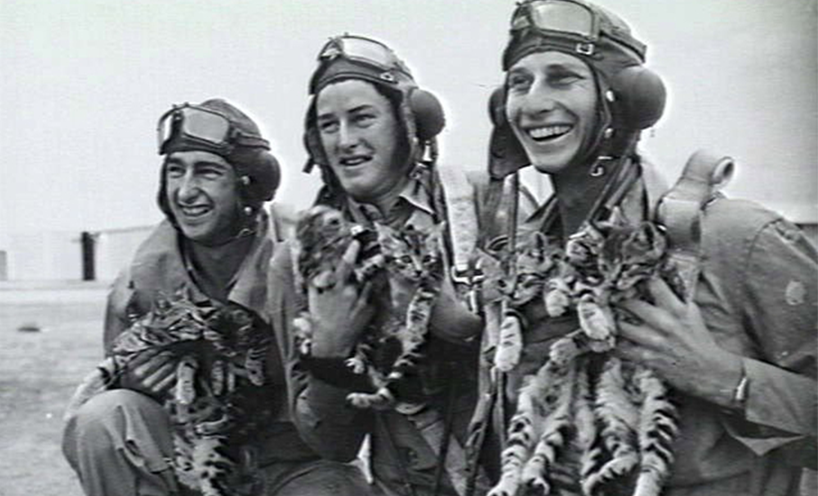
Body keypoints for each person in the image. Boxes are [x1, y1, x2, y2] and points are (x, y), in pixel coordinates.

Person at [467, 1, 817, 495]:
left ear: (629, 100)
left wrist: (727, 380)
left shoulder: (734, 238)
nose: (532, 103)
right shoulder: (520, 267)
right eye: (520, 83)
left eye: (562, 78)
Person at [61, 98, 371, 496]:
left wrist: (330, 350)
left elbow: (341, 438)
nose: (186, 192)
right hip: (190, 460)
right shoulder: (139, 283)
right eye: (175, 171)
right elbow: (97, 432)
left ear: (250, 185)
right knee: (104, 416)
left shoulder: (303, 259)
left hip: (293, 464)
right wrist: (137, 383)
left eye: (207, 172)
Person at [266, 35, 533, 496]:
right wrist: (330, 347)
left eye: (362, 118)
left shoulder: (489, 202)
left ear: (410, 123)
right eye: (328, 125)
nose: (345, 140)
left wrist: (462, 326)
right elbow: (332, 444)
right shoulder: (298, 260)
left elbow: (547, 363)